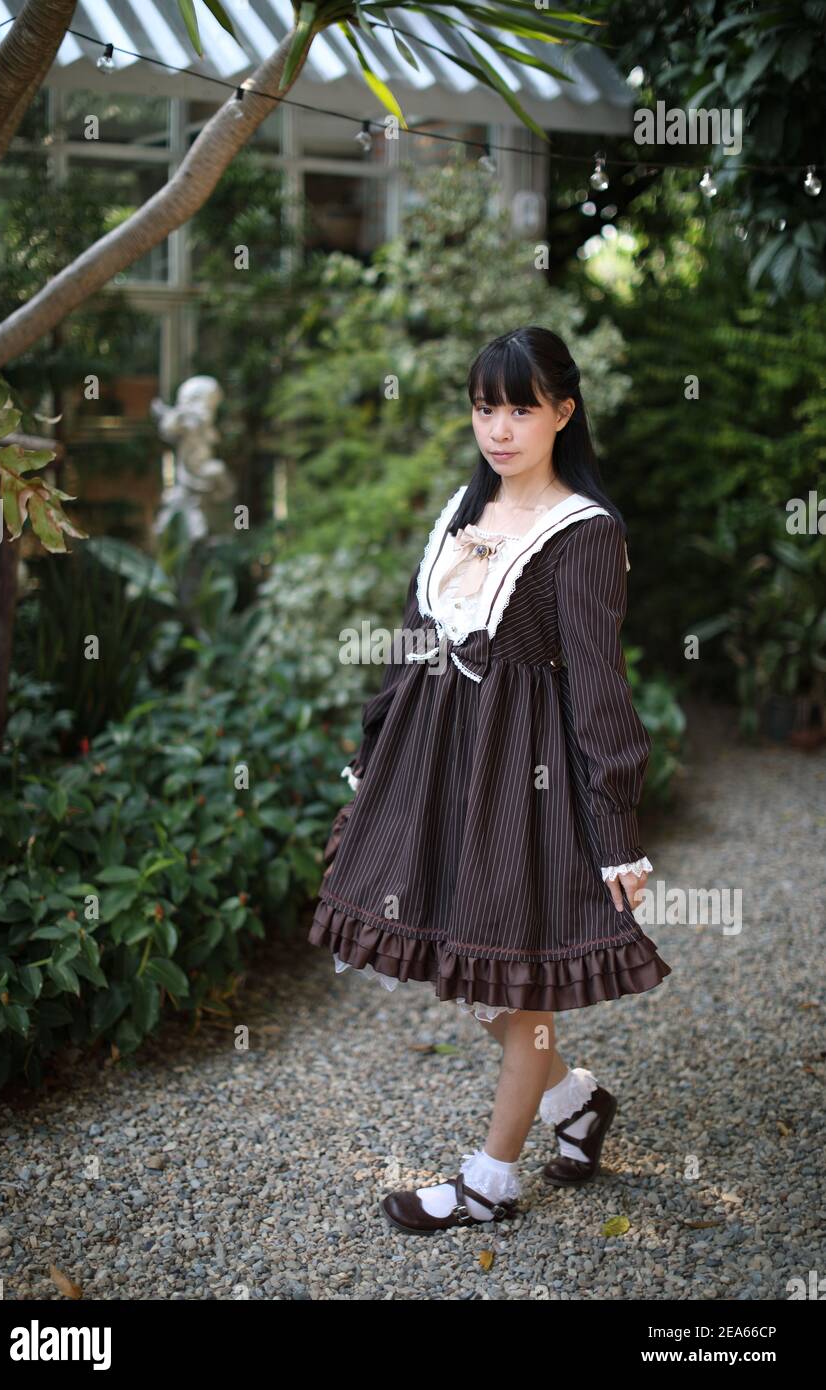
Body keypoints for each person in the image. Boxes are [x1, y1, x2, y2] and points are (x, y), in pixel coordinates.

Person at [308, 326, 672, 1235]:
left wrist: (615, 829)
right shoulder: (460, 515)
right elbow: (409, 645)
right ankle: (574, 1104)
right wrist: (373, 758)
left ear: (562, 412)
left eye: (520, 407)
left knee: (517, 983)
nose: (500, 428)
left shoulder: (582, 535)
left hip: (527, 783)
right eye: (484, 407)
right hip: (435, 772)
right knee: (474, 976)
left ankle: (490, 1182)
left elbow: (597, 684)